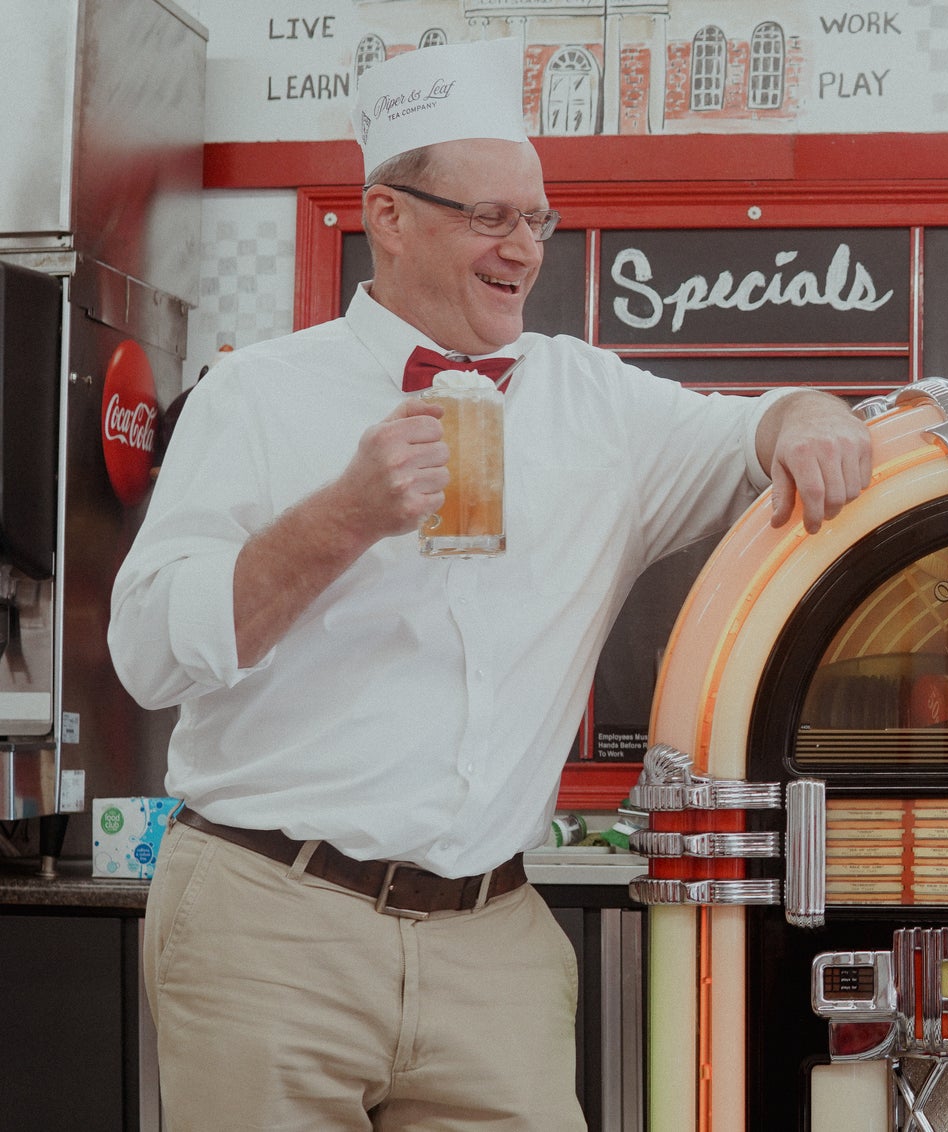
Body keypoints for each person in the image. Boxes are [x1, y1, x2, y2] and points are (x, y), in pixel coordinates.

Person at [106, 38, 872, 1131]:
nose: (524, 248)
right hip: (268, 921)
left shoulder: (594, 402)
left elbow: (762, 425)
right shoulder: (255, 395)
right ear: (389, 215)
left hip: (491, 936)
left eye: (537, 220)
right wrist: (344, 517)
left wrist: (812, 417)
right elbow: (144, 653)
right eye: (490, 218)